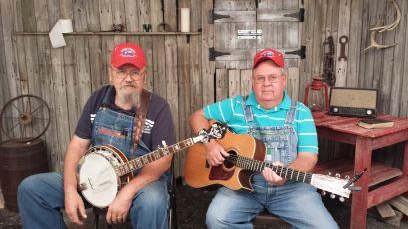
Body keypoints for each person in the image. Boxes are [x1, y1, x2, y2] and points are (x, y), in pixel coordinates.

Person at [17, 43, 175, 229]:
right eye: (121, 71)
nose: (128, 78)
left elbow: (164, 160)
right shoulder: (98, 99)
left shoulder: (158, 107)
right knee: (31, 189)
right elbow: (76, 147)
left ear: (144, 75)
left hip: (141, 183)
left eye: (135, 72)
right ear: (111, 73)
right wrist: (70, 189)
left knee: (153, 202)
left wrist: (128, 191)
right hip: (95, 179)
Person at [189, 49, 338, 228]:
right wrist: (210, 145)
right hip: (242, 188)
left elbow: (308, 157)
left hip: (291, 189)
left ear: (283, 80)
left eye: (272, 77)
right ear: (253, 82)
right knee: (217, 218)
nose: (266, 83)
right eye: (260, 78)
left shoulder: (301, 112)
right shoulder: (236, 105)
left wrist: (286, 171)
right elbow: (197, 116)